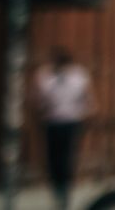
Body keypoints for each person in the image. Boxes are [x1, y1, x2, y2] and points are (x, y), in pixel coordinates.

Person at [32, 48, 92, 210]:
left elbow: (86, 97)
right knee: (53, 159)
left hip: (71, 121)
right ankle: (57, 189)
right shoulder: (45, 76)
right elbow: (39, 99)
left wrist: (85, 112)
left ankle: (65, 191)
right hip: (52, 121)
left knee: (67, 158)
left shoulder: (79, 76)